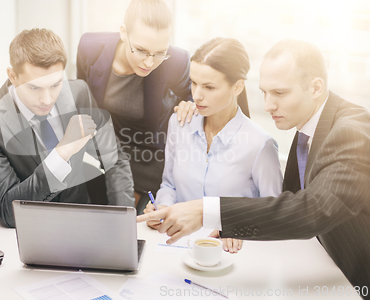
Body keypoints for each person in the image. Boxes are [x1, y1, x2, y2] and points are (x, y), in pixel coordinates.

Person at [138, 39, 370, 290]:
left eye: (280, 93)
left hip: (354, 278)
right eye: (264, 92)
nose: (268, 105)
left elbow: (313, 208)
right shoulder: (308, 129)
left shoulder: (350, 132)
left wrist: (210, 213)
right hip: (319, 269)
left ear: (315, 88)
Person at [0, 28, 134, 228]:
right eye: (34, 88)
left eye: (55, 85)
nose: (47, 100)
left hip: (80, 221)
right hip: (25, 231)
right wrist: (61, 153)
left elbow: (114, 158)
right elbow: (8, 211)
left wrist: (125, 220)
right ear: (13, 76)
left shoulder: (78, 92)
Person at [144, 38, 282, 253]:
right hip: (176, 247)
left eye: (209, 87)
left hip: (231, 254)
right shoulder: (179, 124)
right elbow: (169, 185)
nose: (197, 95)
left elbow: (275, 215)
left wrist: (239, 227)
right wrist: (163, 208)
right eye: (193, 83)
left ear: (237, 87)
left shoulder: (260, 145)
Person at [77, 0, 196, 213]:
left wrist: (190, 105)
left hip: (150, 160)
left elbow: (195, 100)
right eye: (141, 50)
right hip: (105, 154)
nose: (150, 62)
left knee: (143, 226)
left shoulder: (177, 61)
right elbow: (82, 100)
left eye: (160, 52)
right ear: (123, 32)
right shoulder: (90, 48)